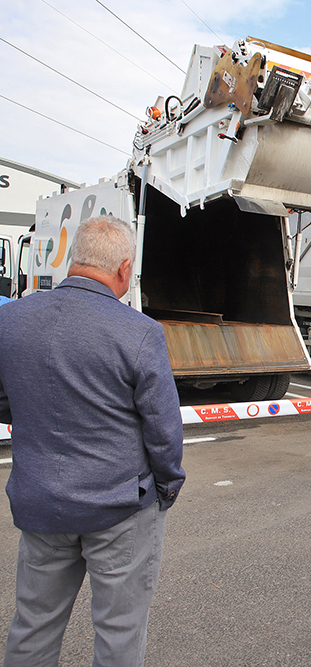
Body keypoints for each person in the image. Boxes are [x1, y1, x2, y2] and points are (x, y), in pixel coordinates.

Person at [0, 215, 185, 666]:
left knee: (33, 627)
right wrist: (165, 487)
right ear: (124, 269)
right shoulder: (139, 332)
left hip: (40, 502)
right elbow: (164, 430)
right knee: (119, 635)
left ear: (73, 259)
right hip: (120, 505)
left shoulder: (11, 321)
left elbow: (6, 402)